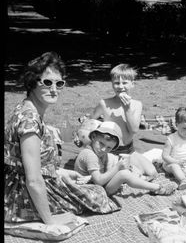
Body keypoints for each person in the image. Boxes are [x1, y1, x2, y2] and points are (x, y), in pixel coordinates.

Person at [4, 52, 119, 225]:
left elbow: (27, 163)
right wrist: (50, 220)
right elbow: (33, 180)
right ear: (32, 83)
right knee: (98, 196)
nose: (54, 89)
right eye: (47, 82)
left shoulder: (26, 108)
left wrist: (61, 172)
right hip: (20, 197)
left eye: (59, 83)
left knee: (91, 190)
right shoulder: (29, 122)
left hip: (19, 185)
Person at [74, 121, 176, 195]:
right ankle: (157, 188)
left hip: (95, 186)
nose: (104, 149)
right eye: (101, 143)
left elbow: (109, 164)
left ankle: (140, 179)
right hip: (90, 192)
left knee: (127, 166)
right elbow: (99, 181)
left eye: (109, 147)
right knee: (124, 174)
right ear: (93, 137)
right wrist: (118, 167)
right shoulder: (90, 155)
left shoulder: (99, 152)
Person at [90, 63, 142, 154]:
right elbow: (91, 121)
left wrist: (127, 109)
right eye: (117, 83)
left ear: (132, 84)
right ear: (112, 84)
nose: (121, 86)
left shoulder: (137, 105)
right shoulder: (104, 103)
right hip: (106, 149)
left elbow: (134, 130)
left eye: (125, 83)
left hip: (127, 148)